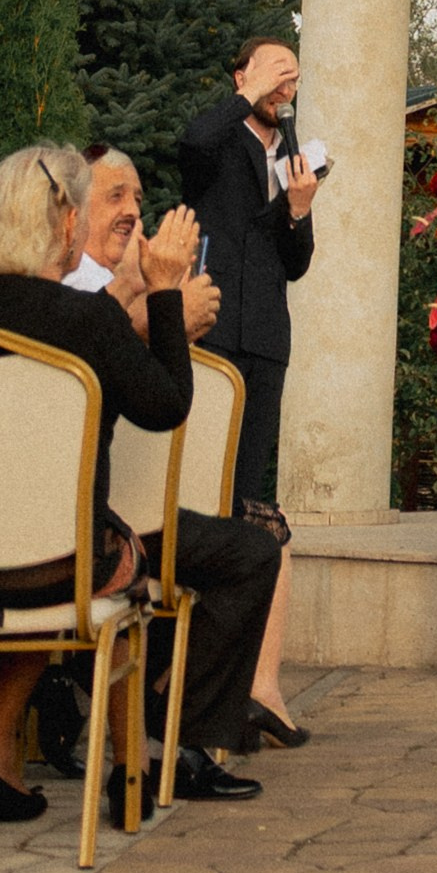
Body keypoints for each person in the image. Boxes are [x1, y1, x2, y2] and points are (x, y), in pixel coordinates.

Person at [0, 142, 261, 825]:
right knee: (118, 569)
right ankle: (135, 764)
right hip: (64, 565)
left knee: (52, 547)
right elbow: (167, 405)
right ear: (62, 221)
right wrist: (165, 288)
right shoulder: (83, 320)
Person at [66, 146, 286, 771]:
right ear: (69, 214)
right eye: (116, 197)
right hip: (105, 520)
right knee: (249, 551)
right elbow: (154, 395)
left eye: (138, 198)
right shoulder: (71, 296)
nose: (134, 212)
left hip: (132, 506)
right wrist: (164, 316)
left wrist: (167, 310)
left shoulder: (108, 291)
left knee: (254, 536)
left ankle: (165, 707)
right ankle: (177, 729)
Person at [177, 36, 318, 518]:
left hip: (265, 339)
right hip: (211, 330)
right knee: (201, 477)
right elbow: (192, 142)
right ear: (243, 78)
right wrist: (246, 96)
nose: (287, 86)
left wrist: (298, 211)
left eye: (294, 78)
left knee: (249, 488)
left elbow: (297, 265)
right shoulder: (218, 140)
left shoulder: (293, 155)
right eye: (277, 73)